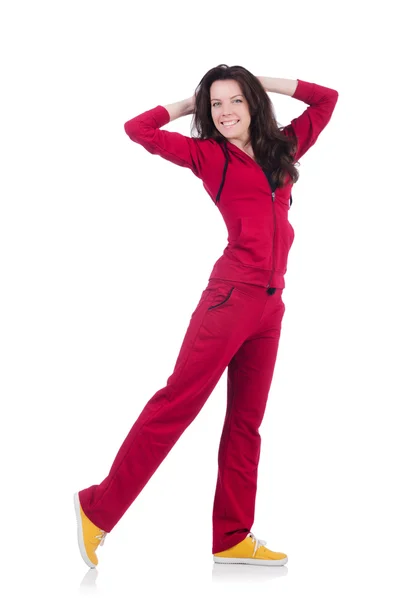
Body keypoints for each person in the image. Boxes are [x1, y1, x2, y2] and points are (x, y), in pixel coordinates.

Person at [74, 64, 338, 569]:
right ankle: (97, 508)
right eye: (214, 105)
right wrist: (188, 103)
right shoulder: (206, 156)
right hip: (230, 299)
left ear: (253, 103)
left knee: (247, 421)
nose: (225, 113)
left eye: (235, 100)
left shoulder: (282, 148)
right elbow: (138, 129)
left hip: (271, 304)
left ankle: (233, 537)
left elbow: (327, 99)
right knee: (178, 403)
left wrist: (267, 79)